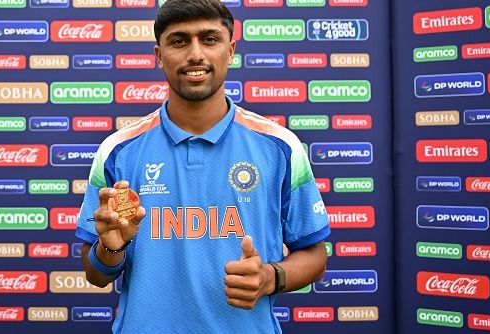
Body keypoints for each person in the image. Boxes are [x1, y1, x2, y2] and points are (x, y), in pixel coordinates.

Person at [77, 0, 330, 332]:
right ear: (159, 55)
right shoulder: (118, 150)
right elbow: (97, 275)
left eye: (209, 39)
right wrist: (112, 247)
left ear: (231, 50)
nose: (195, 54)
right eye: (179, 41)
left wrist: (269, 277)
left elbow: (314, 255)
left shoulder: (281, 146)